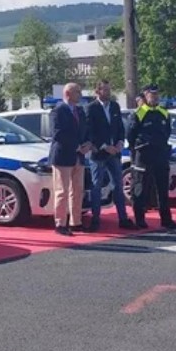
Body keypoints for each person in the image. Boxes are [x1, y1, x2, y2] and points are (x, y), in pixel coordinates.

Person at [85, 79, 135, 231]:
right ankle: (95, 220)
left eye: (109, 89)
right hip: (99, 154)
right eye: (105, 90)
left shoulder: (114, 106)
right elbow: (90, 131)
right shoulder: (90, 108)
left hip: (115, 153)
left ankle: (123, 218)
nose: (108, 92)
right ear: (97, 91)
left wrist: (120, 142)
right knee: (97, 186)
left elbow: (120, 127)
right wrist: (104, 146)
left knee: (118, 186)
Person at [128, 84, 176, 230]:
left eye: (157, 94)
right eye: (151, 94)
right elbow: (130, 135)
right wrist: (136, 150)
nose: (155, 97)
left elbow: (167, 132)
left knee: (162, 188)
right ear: (145, 95)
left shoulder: (164, 112)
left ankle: (166, 219)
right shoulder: (139, 113)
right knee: (140, 187)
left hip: (160, 154)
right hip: (144, 154)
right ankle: (140, 219)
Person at [50, 82, 92, 236]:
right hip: (63, 156)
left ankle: (76, 222)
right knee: (62, 191)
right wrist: (76, 146)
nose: (80, 95)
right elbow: (58, 134)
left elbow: (85, 130)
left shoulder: (79, 111)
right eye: (77, 92)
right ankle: (60, 223)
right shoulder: (58, 111)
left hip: (78, 157)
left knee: (77, 190)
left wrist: (87, 143)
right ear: (68, 94)